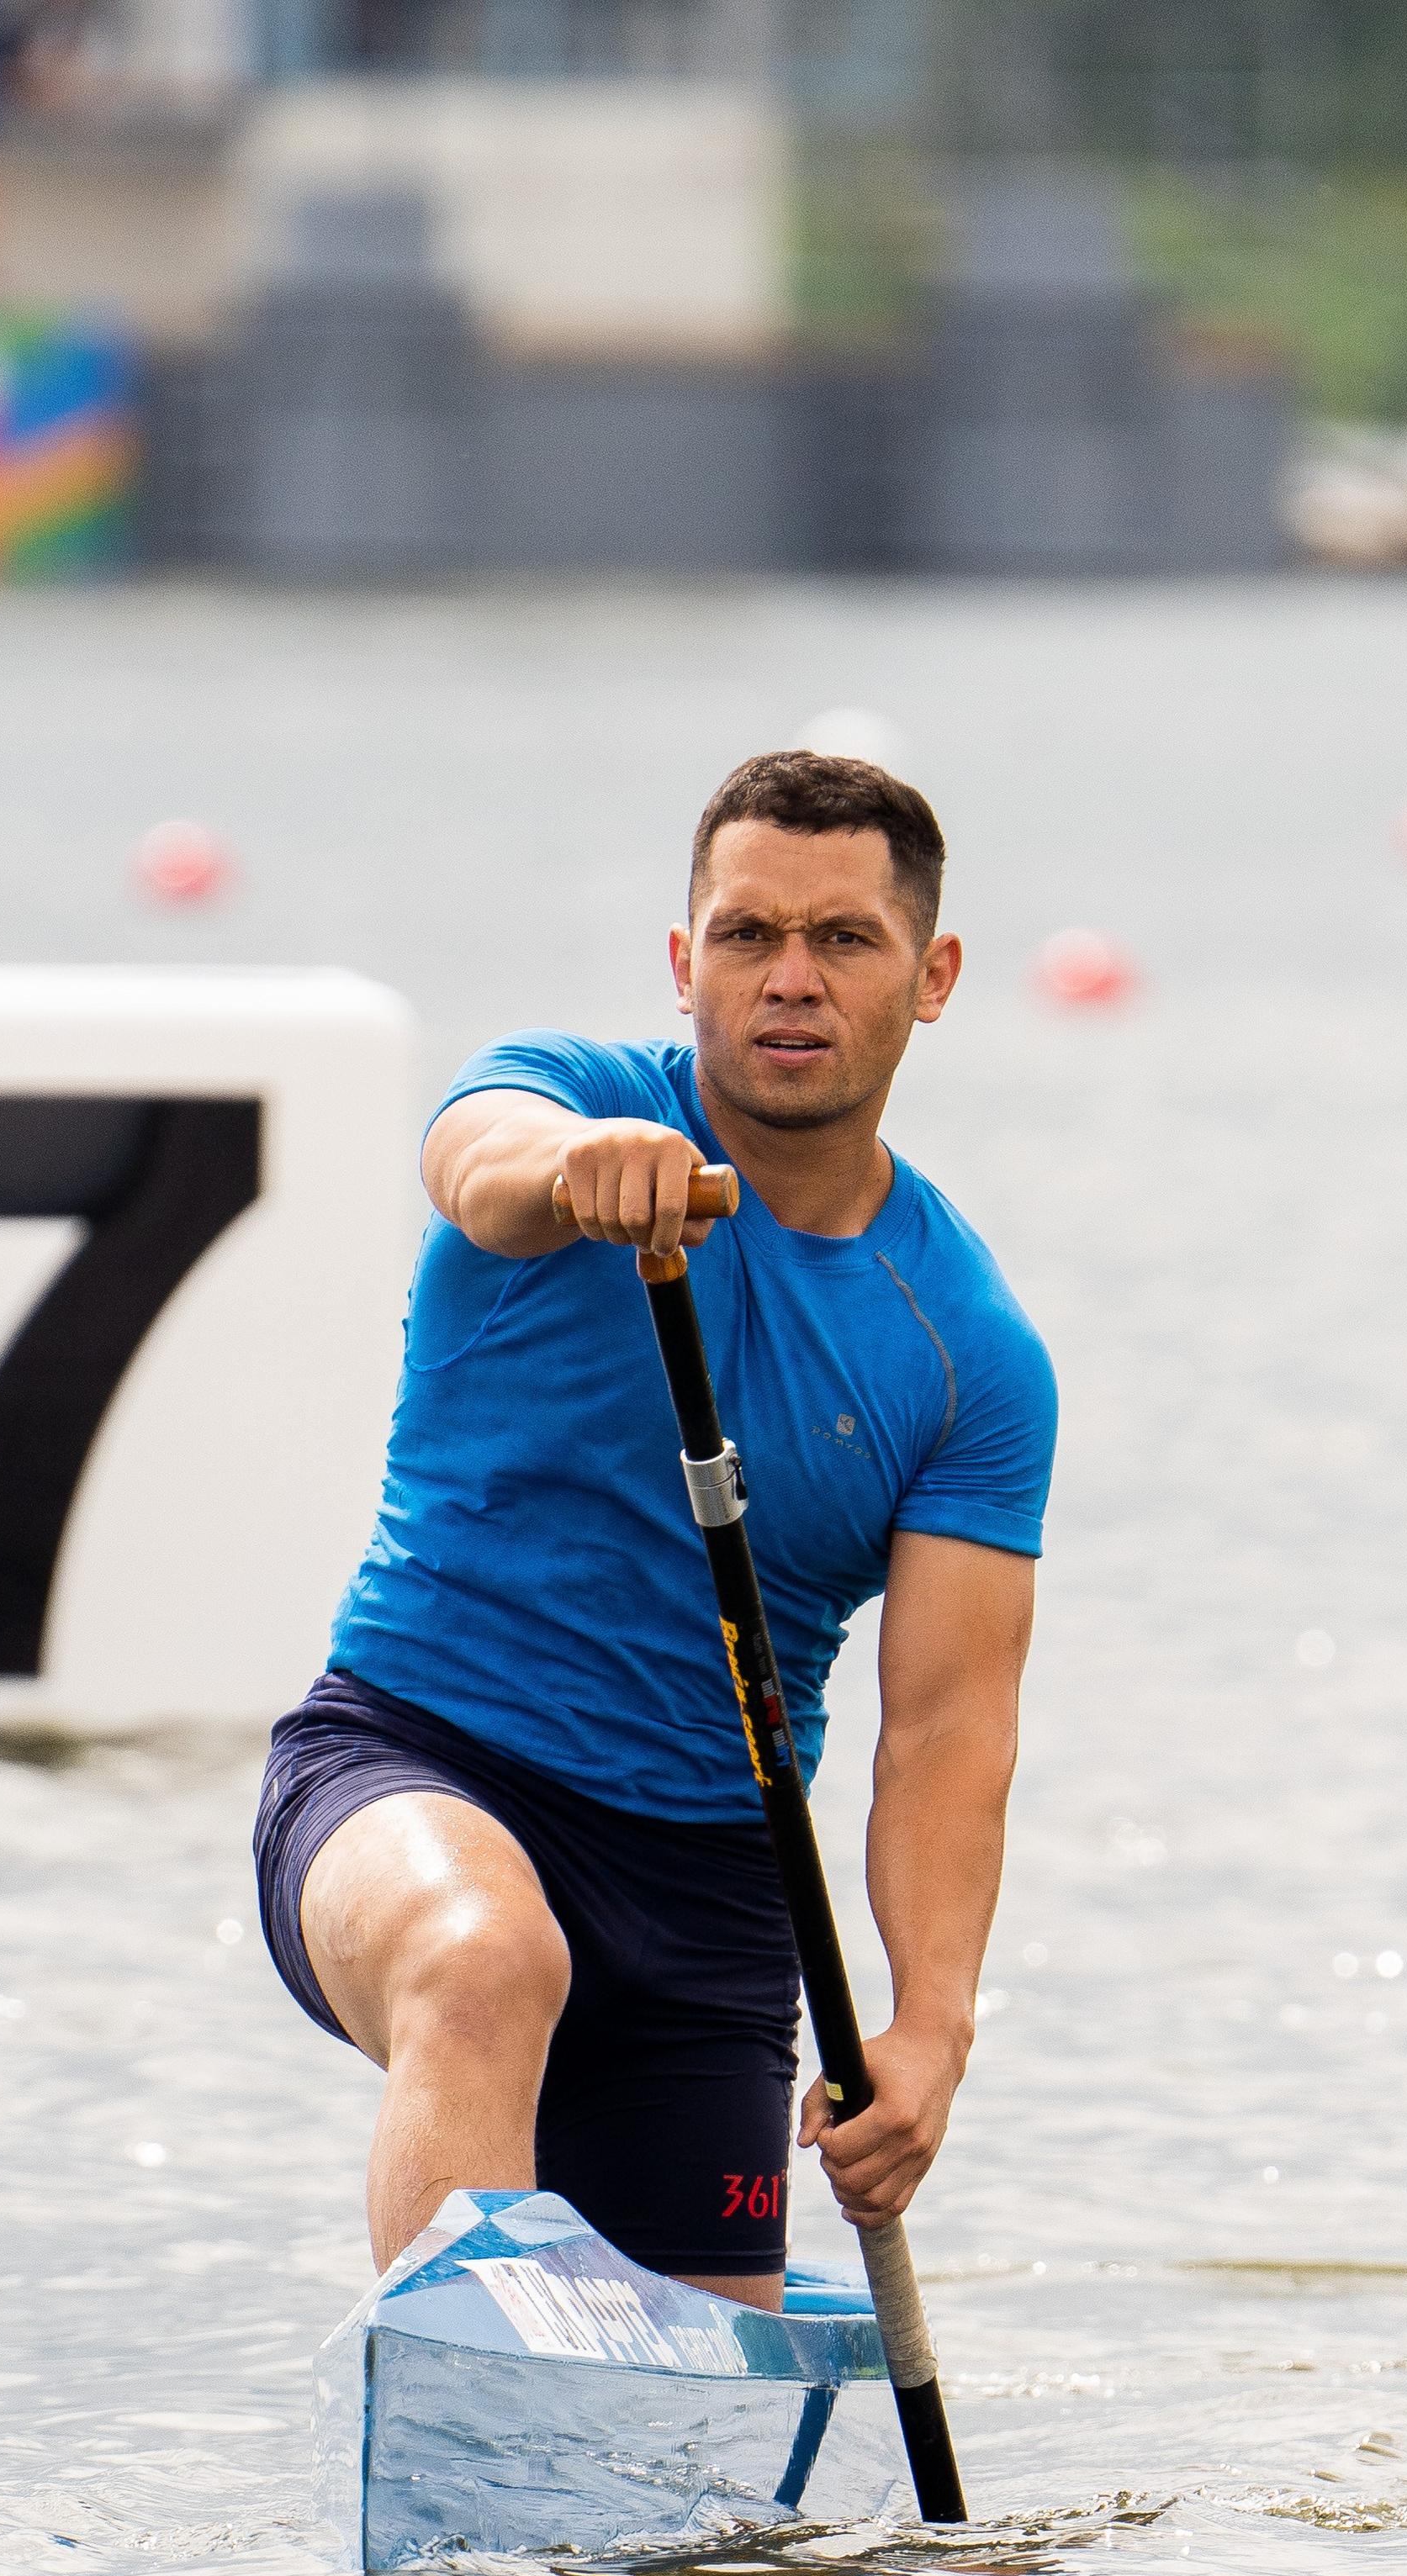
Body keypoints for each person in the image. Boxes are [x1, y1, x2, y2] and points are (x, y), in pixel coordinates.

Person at [255, 750, 1057, 2313]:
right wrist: (574, 1173)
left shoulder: (969, 1351)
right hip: (417, 1768)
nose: (791, 980)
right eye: (749, 936)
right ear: (686, 962)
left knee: (702, 2534)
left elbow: (948, 1727)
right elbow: (475, 1167)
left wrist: (930, 2032)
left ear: (933, 976)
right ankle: (467, 2415)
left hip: (710, 1898)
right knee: (487, 1959)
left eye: (845, 940)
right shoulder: (563, 1097)